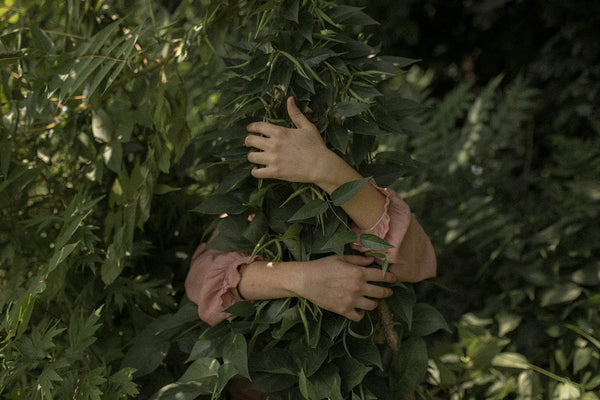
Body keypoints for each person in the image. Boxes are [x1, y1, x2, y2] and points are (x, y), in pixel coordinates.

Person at [185, 96, 437, 326]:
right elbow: (200, 277)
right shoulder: (257, 199)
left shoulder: (356, 178)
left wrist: (324, 167)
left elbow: (414, 260)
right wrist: (302, 279)